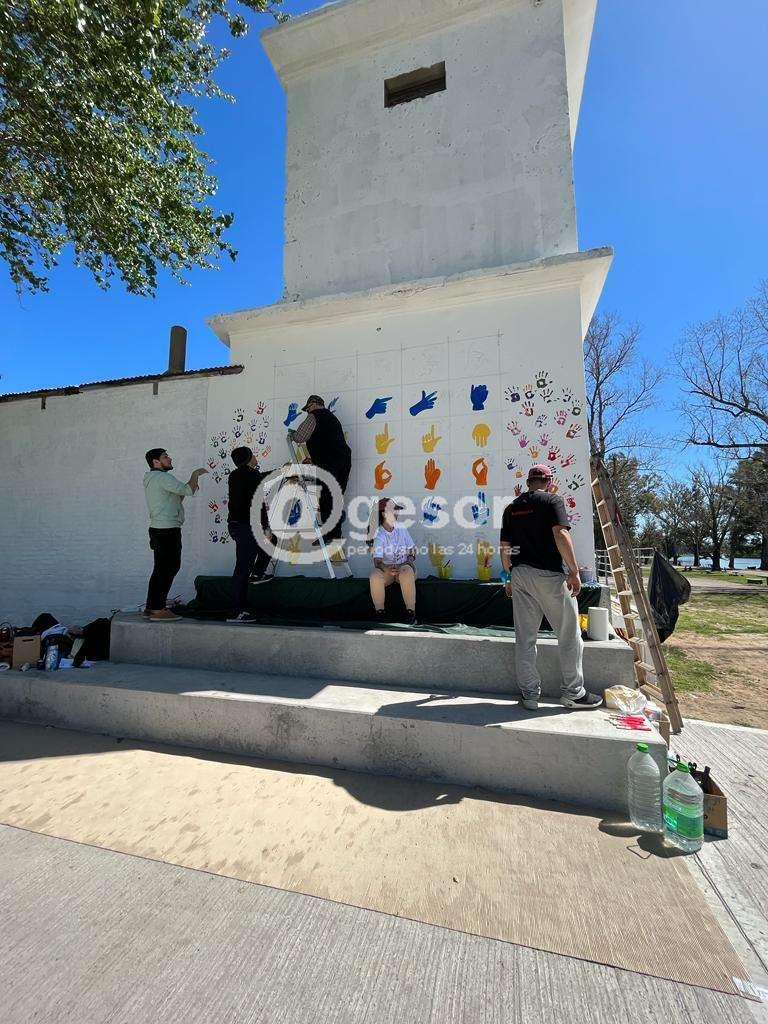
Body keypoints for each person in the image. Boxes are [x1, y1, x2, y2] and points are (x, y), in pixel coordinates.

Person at [500, 463, 602, 710]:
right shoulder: (552, 501)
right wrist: (574, 572)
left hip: (520, 575)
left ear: (528, 482)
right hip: (549, 576)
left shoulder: (511, 508)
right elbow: (561, 535)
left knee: (525, 638)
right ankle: (573, 693)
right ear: (549, 481)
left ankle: (529, 695)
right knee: (569, 635)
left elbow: (505, 547)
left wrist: (508, 578)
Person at [143, 448, 206, 622]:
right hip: (167, 530)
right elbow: (189, 490)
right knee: (167, 568)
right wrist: (195, 474)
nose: (169, 459)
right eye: (165, 457)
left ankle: (153, 607)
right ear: (156, 462)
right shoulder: (163, 478)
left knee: (162, 569)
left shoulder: (153, 478)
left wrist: (188, 487)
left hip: (159, 530)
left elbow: (178, 497)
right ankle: (157, 609)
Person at [288, 395, 351, 546]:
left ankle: (330, 534)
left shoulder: (314, 416)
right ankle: (335, 534)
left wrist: (292, 435)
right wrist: (315, 460)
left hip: (330, 463)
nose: (308, 411)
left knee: (326, 497)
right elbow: (328, 444)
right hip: (343, 461)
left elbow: (300, 437)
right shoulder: (333, 419)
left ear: (314, 404)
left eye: (308, 408)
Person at [226, 446, 275, 625]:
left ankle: (256, 575)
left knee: (245, 565)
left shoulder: (236, 475)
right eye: (252, 455)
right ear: (248, 459)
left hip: (238, 526)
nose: (255, 458)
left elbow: (261, 479)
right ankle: (236, 612)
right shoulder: (251, 475)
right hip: (248, 527)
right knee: (242, 569)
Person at [369, 498, 418, 625]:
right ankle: (380, 614)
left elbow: (412, 550)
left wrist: (409, 562)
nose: (397, 513)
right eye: (393, 510)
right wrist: (388, 569)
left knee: (406, 571)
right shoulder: (378, 533)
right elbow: (377, 561)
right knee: (375, 576)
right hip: (388, 570)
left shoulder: (402, 528)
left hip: (404, 567)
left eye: (397, 510)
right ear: (384, 514)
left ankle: (411, 614)